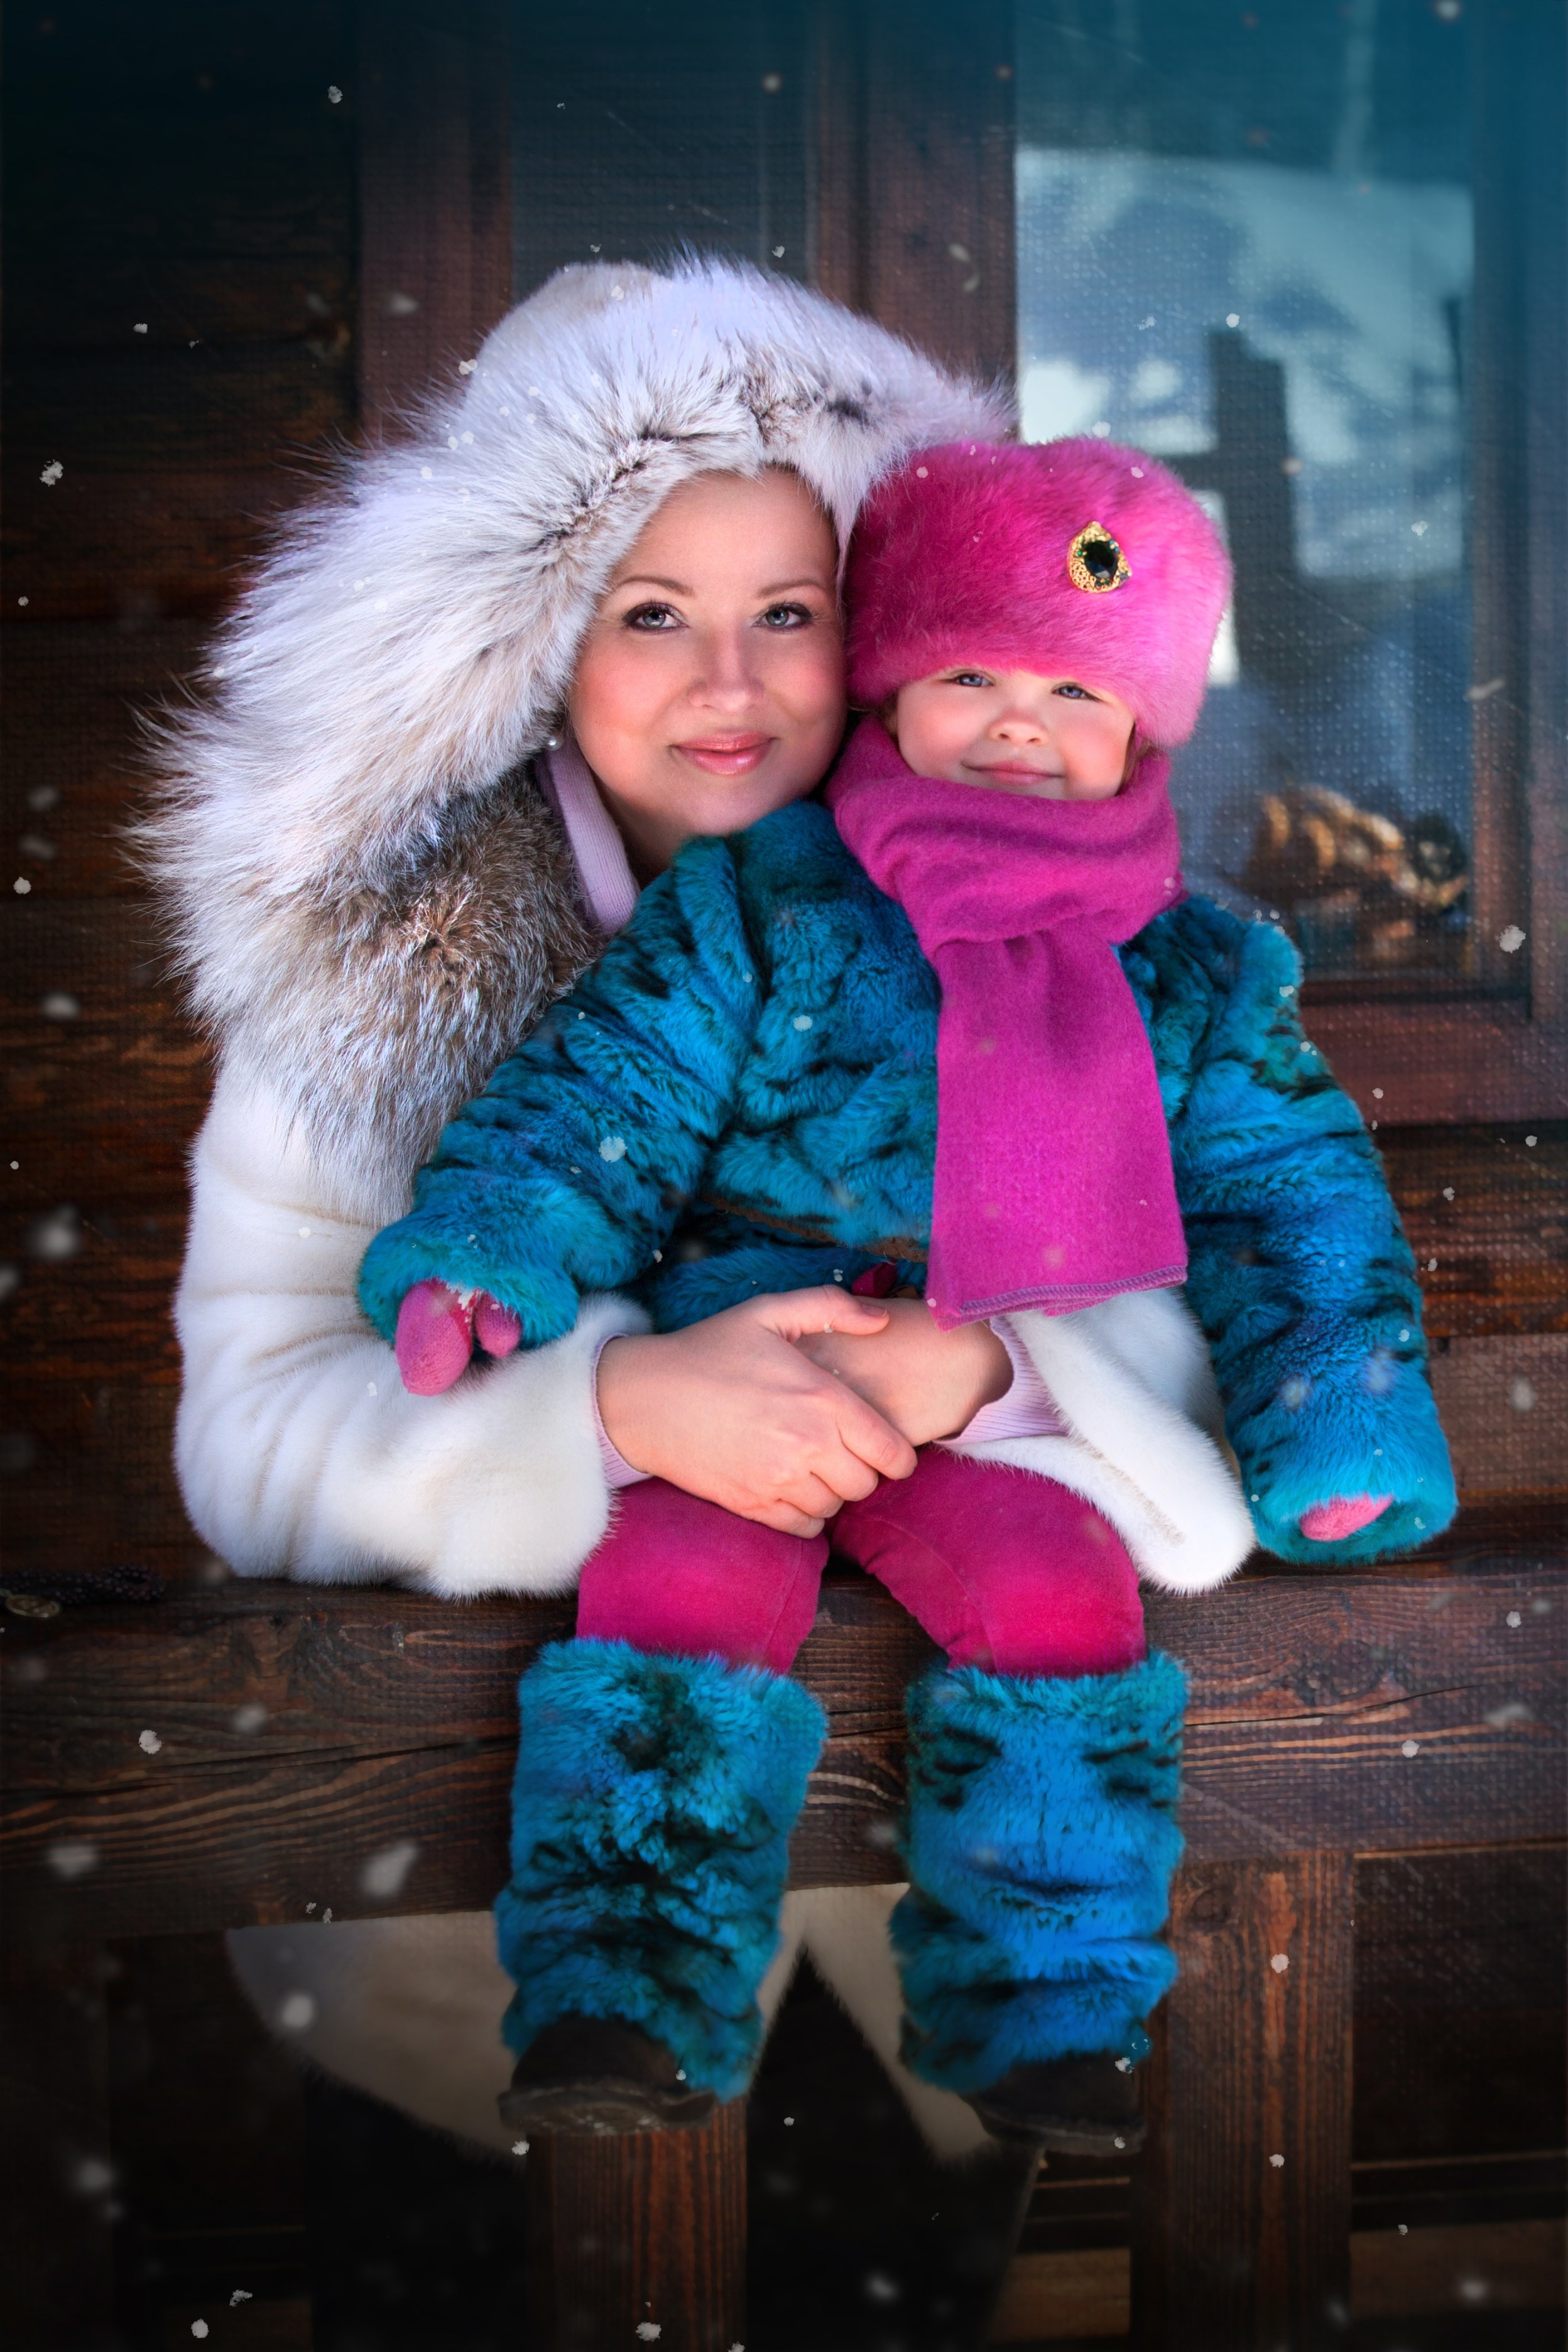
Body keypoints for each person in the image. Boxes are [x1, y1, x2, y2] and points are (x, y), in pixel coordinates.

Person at [359, 439, 1456, 2152]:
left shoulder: (1192, 972)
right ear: (888, 688)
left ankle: (1047, 1997)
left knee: (1059, 1590)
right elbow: (611, 1088)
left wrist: (1343, 1420)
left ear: (1145, 728)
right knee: (676, 1579)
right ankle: (621, 1980)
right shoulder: (770, 895)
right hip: (749, 1345)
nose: (1019, 720)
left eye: (1073, 686)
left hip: (1000, 1390)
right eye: (967, 673)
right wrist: (489, 1252)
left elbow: (1287, 1199)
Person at [151, 257, 1017, 2160]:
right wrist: (614, 1408)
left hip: (910, 1949)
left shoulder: (1005, 940)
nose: (730, 685)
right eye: (652, 614)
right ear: (537, 641)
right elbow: (252, 1436)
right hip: (459, 1981)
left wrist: (993, 1365)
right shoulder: (366, 975)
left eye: (788, 612)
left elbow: (1174, 1308)